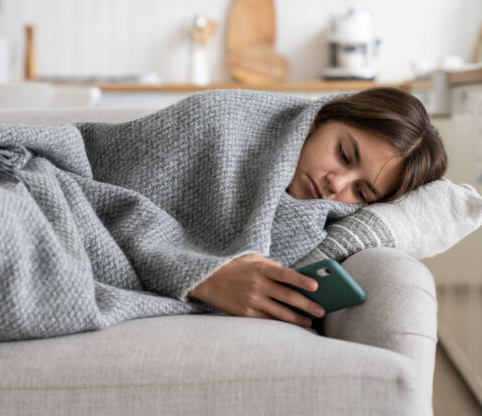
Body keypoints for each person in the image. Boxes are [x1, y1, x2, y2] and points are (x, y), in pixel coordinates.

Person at [187, 86, 448, 329]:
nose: (336, 183)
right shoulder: (218, 117)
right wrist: (203, 277)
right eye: (344, 154)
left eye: (360, 191)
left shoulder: (324, 224)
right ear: (323, 119)